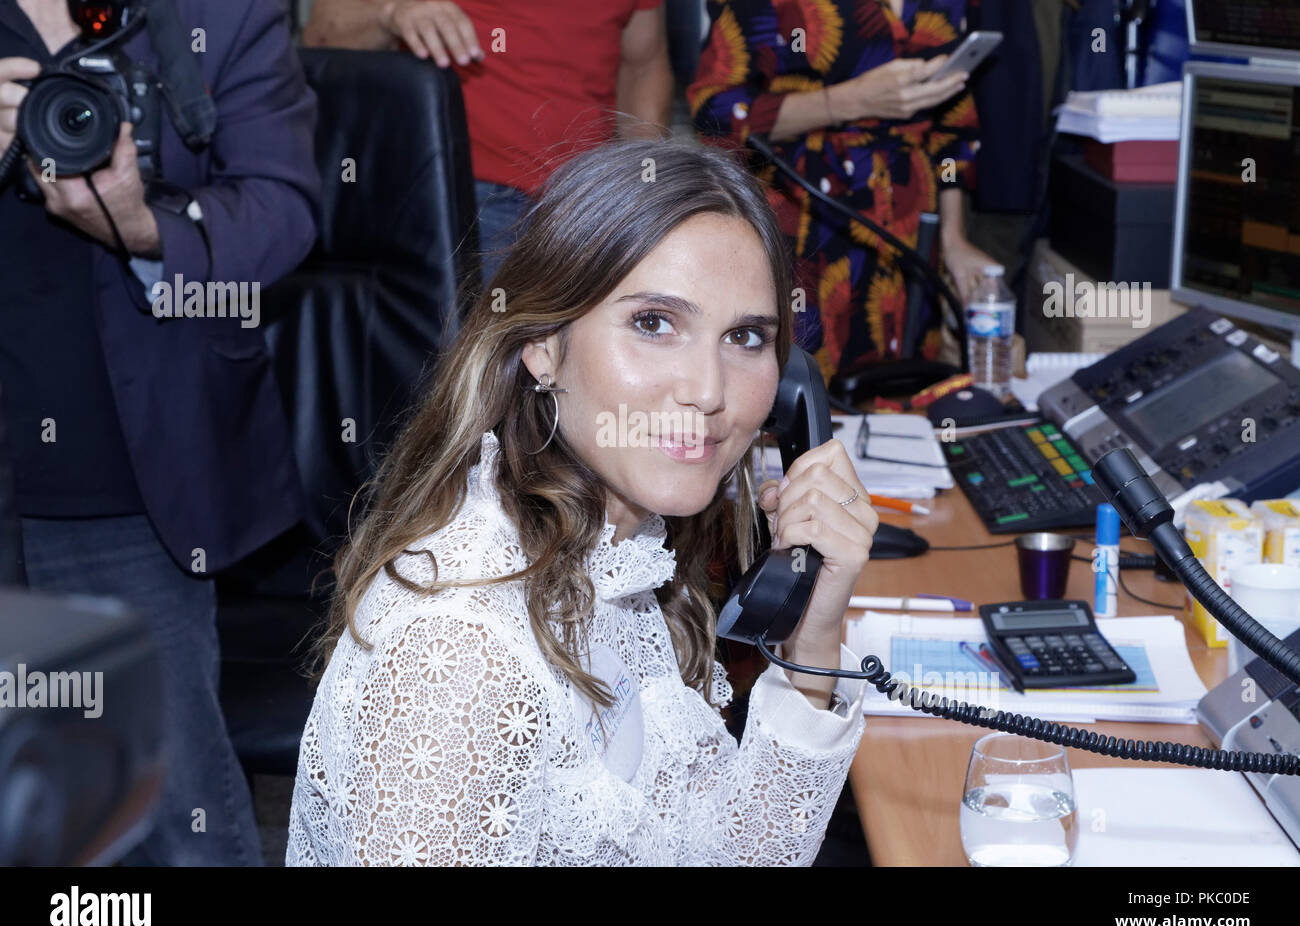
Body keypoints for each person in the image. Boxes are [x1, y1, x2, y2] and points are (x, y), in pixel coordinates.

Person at [286, 137, 879, 866]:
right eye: (654, 323)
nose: (708, 390)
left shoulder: (616, 560)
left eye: (746, 337)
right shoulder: (460, 643)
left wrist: (812, 640)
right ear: (542, 343)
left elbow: (732, 854)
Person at [0, 0, 319, 864]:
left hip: (124, 484)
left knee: (165, 820)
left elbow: (283, 206)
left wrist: (141, 224)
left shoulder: (219, 12)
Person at [688, 0, 1000, 383]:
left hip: (909, 224)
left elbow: (952, 133)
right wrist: (849, 102)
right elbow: (716, 114)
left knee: (904, 385)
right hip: (804, 215)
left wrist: (952, 239)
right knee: (798, 388)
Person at [302, 0, 674, 287]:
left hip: (590, 202)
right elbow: (322, 34)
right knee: (469, 376)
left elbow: (643, 64)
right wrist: (392, 11)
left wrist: (647, 186)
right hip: (465, 198)